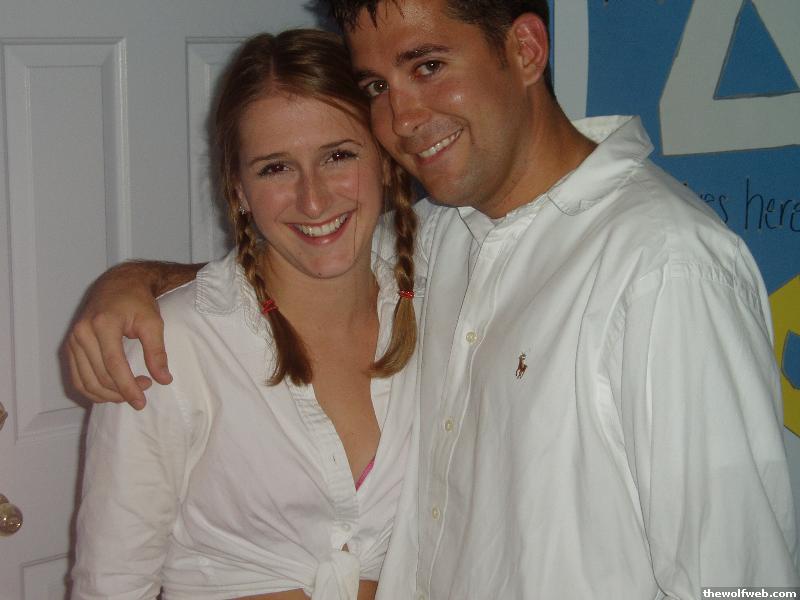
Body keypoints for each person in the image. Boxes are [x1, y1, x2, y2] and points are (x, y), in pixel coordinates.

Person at [67, 1, 800, 597]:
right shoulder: (444, 238)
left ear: (525, 51)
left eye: (427, 66)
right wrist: (133, 281)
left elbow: (742, 580)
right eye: (377, 86)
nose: (402, 119)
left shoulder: (666, 269)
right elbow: (295, 265)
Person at [71, 29, 425, 600]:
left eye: (338, 156)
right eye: (275, 168)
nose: (314, 199)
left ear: (384, 160)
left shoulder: (441, 300)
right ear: (238, 189)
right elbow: (111, 585)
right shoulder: (170, 347)